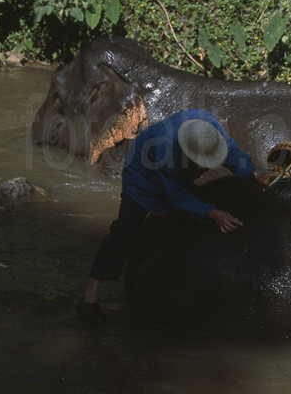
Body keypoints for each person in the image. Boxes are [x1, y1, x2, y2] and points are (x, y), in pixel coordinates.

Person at [77, 109, 272, 324]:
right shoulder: (163, 147)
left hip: (179, 174)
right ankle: (89, 296)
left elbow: (232, 152)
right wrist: (210, 211)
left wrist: (255, 173)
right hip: (142, 178)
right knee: (124, 232)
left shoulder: (208, 125)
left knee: (191, 218)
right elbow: (176, 195)